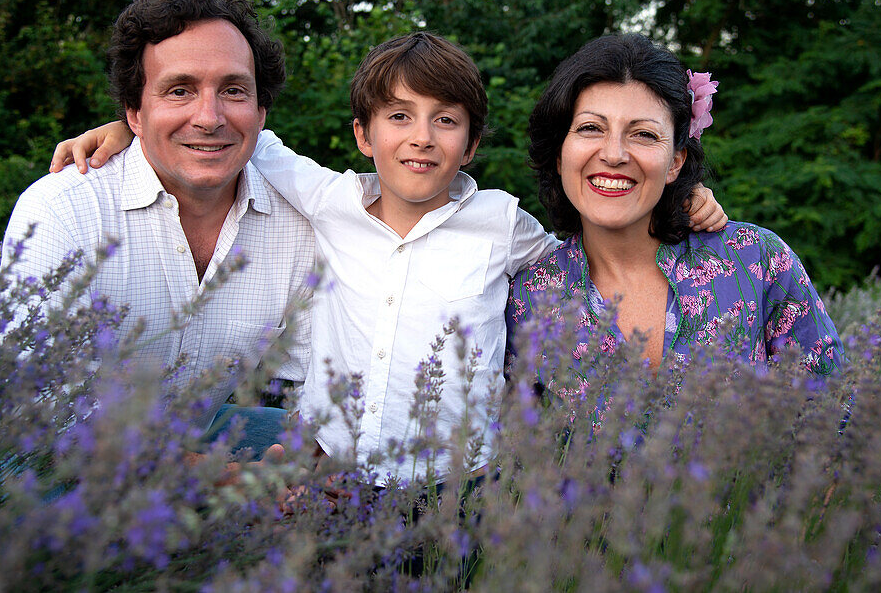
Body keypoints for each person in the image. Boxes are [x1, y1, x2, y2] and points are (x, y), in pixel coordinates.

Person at [51, 33, 728, 484]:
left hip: (454, 488)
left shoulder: (499, 224)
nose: (421, 138)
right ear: (362, 133)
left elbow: (593, 253)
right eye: (398, 116)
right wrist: (127, 128)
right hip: (328, 475)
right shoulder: (329, 200)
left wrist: (681, 202)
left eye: (446, 119)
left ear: (470, 144)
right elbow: (238, 131)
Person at [1, 0, 316, 462]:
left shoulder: (298, 223)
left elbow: (327, 380)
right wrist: (207, 479)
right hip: (47, 455)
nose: (209, 118)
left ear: (261, 112)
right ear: (133, 113)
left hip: (197, 433)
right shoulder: (62, 210)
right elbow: (42, 404)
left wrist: (319, 461)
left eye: (233, 90)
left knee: (354, 452)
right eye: (179, 90)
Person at [507, 34, 844, 397]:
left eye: (644, 134)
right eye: (592, 128)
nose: (615, 153)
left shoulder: (757, 260)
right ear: (559, 155)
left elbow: (833, 414)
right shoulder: (529, 297)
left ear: (675, 162)